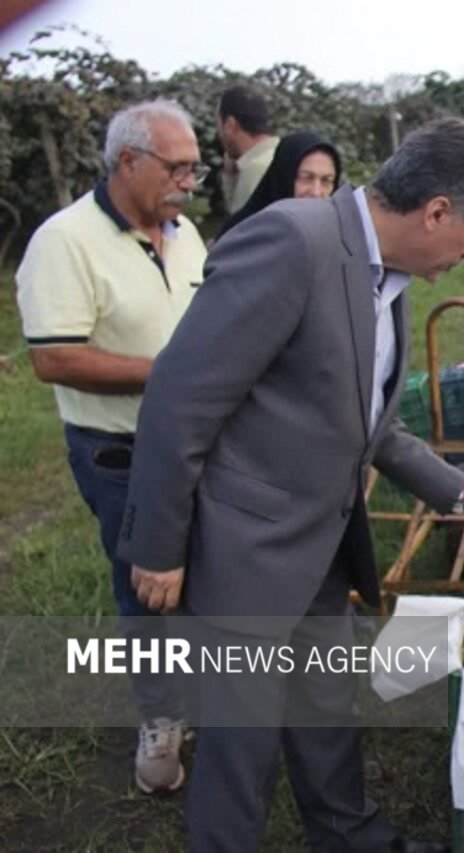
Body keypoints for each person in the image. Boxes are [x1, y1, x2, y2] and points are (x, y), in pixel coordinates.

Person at [118, 116, 464, 852]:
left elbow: (363, 421)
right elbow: (180, 399)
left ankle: (351, 837)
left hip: (318, 545)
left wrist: (454, 486)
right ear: (435, 211)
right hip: (247, 552)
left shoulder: (384, 276)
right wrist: (157, 545)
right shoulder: (294, 243)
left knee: (323, 714)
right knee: (241, 752)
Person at [14, 98, 208, 794]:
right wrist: (169, 377)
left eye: (195, 166)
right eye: (177, 167)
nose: (190, 180)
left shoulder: (185, 234)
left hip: (196, 440)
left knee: (201, 571)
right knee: (147, 585)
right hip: (120, 451)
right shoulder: (64, 242)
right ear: (128, 162)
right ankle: (161, 719)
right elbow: (55, 358)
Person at [217, 130, 342, 238]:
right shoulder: (242, 235)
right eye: (306, 178)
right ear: (284, 177)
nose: (316, 192)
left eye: (326, 180)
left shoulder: (338, 239)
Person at [216, 84, 280, 215]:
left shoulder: (256, 168)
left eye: (218, 125)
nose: (219, 134)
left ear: (230, 125)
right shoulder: (279, 153)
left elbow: (240, 229)